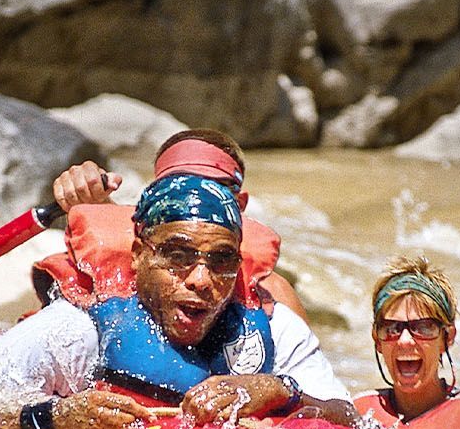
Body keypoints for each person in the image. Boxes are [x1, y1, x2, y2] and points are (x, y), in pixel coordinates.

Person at [0, 171, 356, 429]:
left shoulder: (275, 331)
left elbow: (353, 424)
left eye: (222, 261)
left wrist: (280, 389)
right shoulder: (76, 331)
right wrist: (55, 422)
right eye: (178, 256)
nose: (202, 279)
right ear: (139, 256)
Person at [35, 129, 307, 317]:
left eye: (213, 190)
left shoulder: (273, 295)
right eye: (177, 189)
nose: (195, 202)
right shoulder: (107, 260)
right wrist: (87, 195)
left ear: (240, 205)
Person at [353, 257, 460, 429]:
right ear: (377, 339)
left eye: (424, 327)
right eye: (392, 328)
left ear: (448, 337)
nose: (405, 341)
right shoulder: (357, 413)